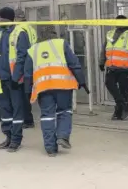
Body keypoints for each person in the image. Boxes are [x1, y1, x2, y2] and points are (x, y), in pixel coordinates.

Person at [24, 25, 86, 157]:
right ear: (54, 33)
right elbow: (74, 63)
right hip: (63, 85)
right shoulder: (61, 43)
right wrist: (82, 81)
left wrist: (27, 91)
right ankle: (62, 136)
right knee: (64, 111)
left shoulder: (32, 50)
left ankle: (50, 148)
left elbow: (28, 73)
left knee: (47, 116)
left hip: (43, 88)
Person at [0, 7, 30, 152]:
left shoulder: (19, 33)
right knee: (5, 109)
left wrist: (16, 77)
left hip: (14, 80)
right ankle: (7, 136)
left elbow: (22, 57)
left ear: (6, 19)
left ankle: (16, 139)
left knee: (17, 110)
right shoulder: (0, 33)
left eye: (0, 18)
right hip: (0, 78)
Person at [99, 15, 128, 120]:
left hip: (125, 67)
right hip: (111, 66)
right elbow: (105, 48)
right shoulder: (110, 33)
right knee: (109, 84)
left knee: (123, 90)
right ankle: (124, 105)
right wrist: (101, 61)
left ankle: (119, 111)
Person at [14, 8, 37, 129]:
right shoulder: (30, 28)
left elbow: (21, 53)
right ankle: (28, 119)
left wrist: (17, 74)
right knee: (26, 94)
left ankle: (27, 120)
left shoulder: (20, 30)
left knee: (23, 96)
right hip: (31, 65)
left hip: (24, 68)